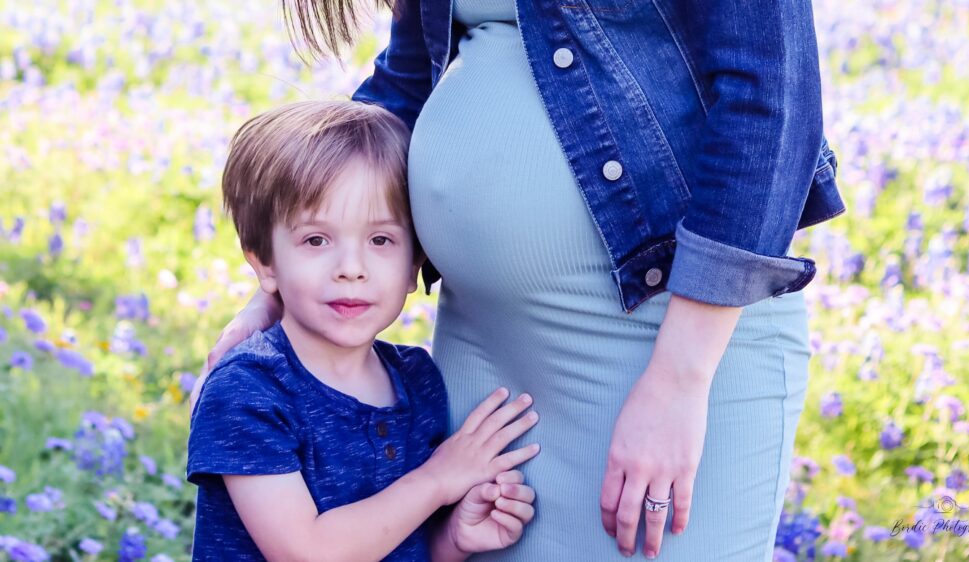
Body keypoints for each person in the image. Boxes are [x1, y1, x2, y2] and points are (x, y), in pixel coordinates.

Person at [197, 0, 847, 558]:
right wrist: (279, 290)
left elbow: (774, 100)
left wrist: (679, 378)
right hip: (482, 355)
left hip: (669, 342)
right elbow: (405, 85)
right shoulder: (370, 386)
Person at [187, 100, 543, 561]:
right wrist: (437, 479)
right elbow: (307, 553)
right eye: (316, 239)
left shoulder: (417, 380)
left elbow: (394, 544)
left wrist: (454, 539)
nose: (351, 268)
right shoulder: (249, 390)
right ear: (265, 264)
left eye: (380, 240)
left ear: (414, 264)